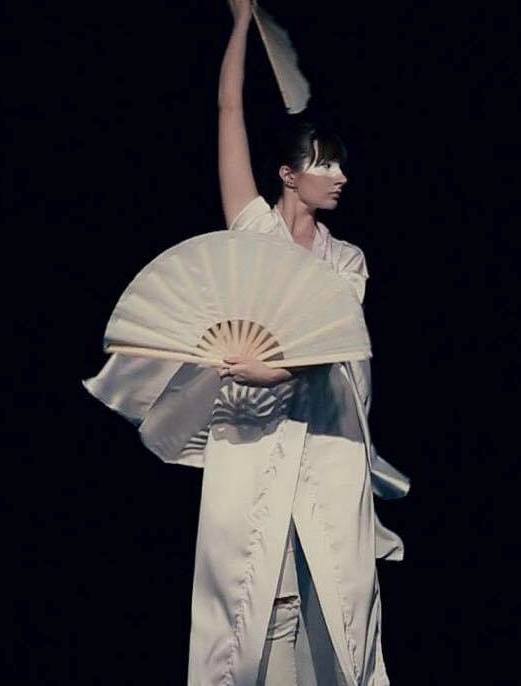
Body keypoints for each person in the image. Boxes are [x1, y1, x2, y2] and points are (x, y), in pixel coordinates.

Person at [82, 1, 411, 683]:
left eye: (340, 167)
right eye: (324, 165)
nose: (339, 177)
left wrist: (276, 371)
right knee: (253, 593)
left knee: (342, 592)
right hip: (253, 433)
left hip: (326, 433)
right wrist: (240, 27)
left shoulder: (345, 258)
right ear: (289, 174)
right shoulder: (252, 231)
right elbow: (229, 113)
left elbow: (329, 345)